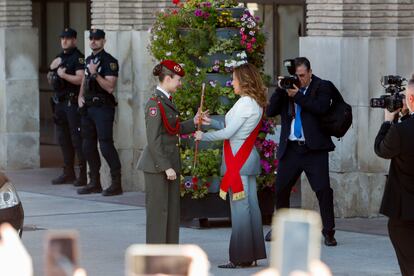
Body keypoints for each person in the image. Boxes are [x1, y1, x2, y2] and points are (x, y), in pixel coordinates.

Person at [194, 63, 267, 268]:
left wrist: (203, 136)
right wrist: (210, 122)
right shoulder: (251, 102)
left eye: (235, 78)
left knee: (241, 210)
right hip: (246, 159)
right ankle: (250, 254)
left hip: (239, 161)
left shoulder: (245, 103)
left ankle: (240, 257)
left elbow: (228, 134)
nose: (232, 82)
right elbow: (229, 126)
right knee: (251, 207)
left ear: (244, 81)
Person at [265, 57, 337, 246]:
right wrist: (281, 90)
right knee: (281, 189)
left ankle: (329, 231)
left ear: (310, 72)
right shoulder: (287, 88)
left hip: (314, 150)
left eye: (303, 76)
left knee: (322, 190)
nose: (299, 80)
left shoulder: (322, 86)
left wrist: (298, 96)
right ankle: (280, 228)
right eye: (296, 76)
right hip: (291, 149)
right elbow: (270, 111)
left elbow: (320, 108)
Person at [137, 60, 209, 244]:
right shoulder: (154, 104)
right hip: (158, 167)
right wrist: (166, 167)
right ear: (168, 79)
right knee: (159, 213)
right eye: (178, 79)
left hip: (168, 165)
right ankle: (156, 259)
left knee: (171, 212)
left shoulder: (165, 101)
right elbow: (153, 140)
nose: (180, 83)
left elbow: (172, 128)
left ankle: (168, 254)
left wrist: (194, 122)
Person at [374, 77, 414, 276]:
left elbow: (381, 149)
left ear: (411, 99)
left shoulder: (400, 131)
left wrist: (388, 122)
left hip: (405, 213)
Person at [77, 29, 122, 196]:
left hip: (103, 108)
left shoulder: (110, 61)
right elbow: (84, 79)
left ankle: (116, 183)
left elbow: (110, 87)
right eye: (92, 38)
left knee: (105, 144)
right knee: (87, 145)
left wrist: (95, 73)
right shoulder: (89, 59)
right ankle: (94, 182)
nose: (94, 41)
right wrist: (80, 96)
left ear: (104, 41)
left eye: (97, 39)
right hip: (88, 108)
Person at [48, 28, 86, 187]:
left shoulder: (77, 58)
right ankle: (68, 172)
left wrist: (64, 75)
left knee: (76, 139)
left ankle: (83, 174)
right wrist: (52, 68)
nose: (64, 41)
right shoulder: (59, 57)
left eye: (68, 38)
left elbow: (80, 79)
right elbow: (51, 78)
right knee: (63, 139)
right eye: (62, 38)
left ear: (74, 40)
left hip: (72, 103)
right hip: (60, 103)